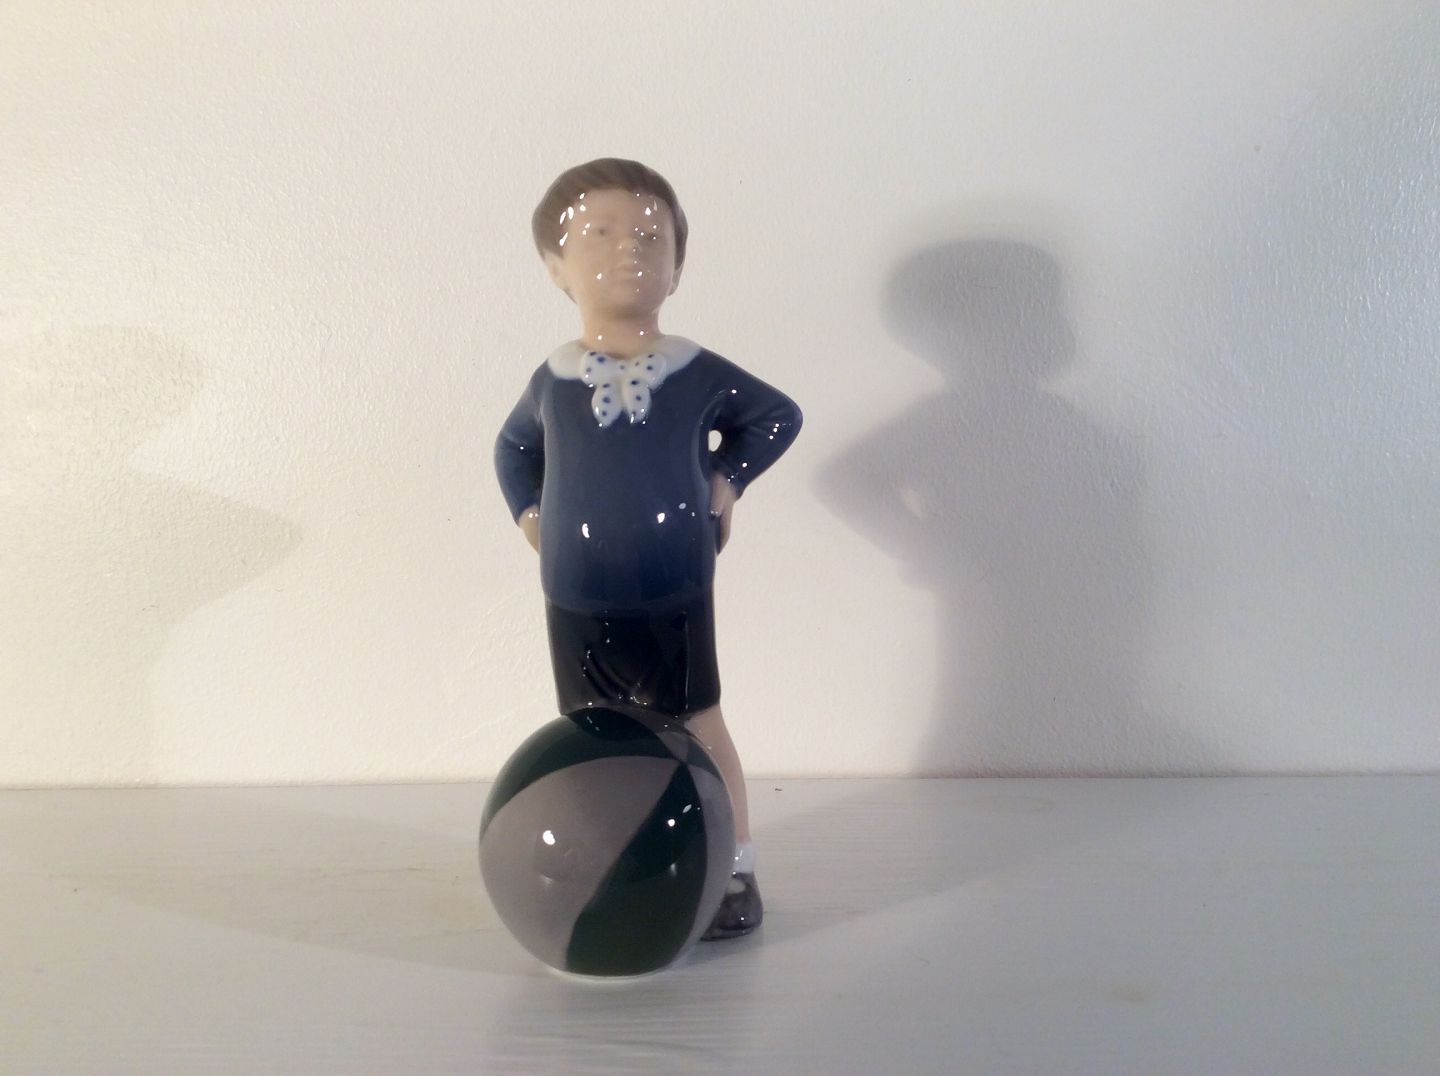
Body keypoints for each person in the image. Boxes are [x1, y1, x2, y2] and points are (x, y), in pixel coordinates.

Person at [495, 158, 801, 939]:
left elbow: (777, 417)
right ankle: (610, 871)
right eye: (599, 233)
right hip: (575, 589)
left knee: (697, 722)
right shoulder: (553, 379)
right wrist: (530, 514)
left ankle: (731, 868)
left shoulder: (694, 371)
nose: (629, 248)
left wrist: (729, 477)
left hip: (673, 586)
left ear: (677, 267)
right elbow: (513, 448)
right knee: (595, 736)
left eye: (650, 236)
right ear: (555, 265)